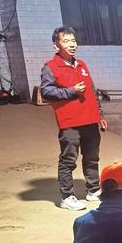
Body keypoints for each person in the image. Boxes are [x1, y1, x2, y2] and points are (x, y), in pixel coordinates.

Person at [40, 26, 108, 211]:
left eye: (73, 41)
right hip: (70, 122)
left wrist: (99, 114)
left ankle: (93, 190)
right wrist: (72, 91)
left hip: (90, 120)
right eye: (66, 41)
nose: (72, 45)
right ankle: (67, 197)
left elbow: (92, 91)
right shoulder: (51, 67)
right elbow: (46, 92)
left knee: (92, 157)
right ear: (56, 46)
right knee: (68, 160)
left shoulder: (82, 65)